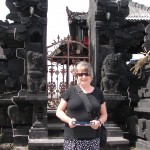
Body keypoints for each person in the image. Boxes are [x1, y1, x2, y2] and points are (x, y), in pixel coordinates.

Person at [56, 61, 108, 150]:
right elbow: (59, 111)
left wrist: (99, 122)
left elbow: (104, 114)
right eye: (80, 74)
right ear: (77, 77)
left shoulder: (98, 93)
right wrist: (68, 120)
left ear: (91, 76)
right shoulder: (70, 91)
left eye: (86, 74)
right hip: (72, 138)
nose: (83, 77)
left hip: (93, 138)